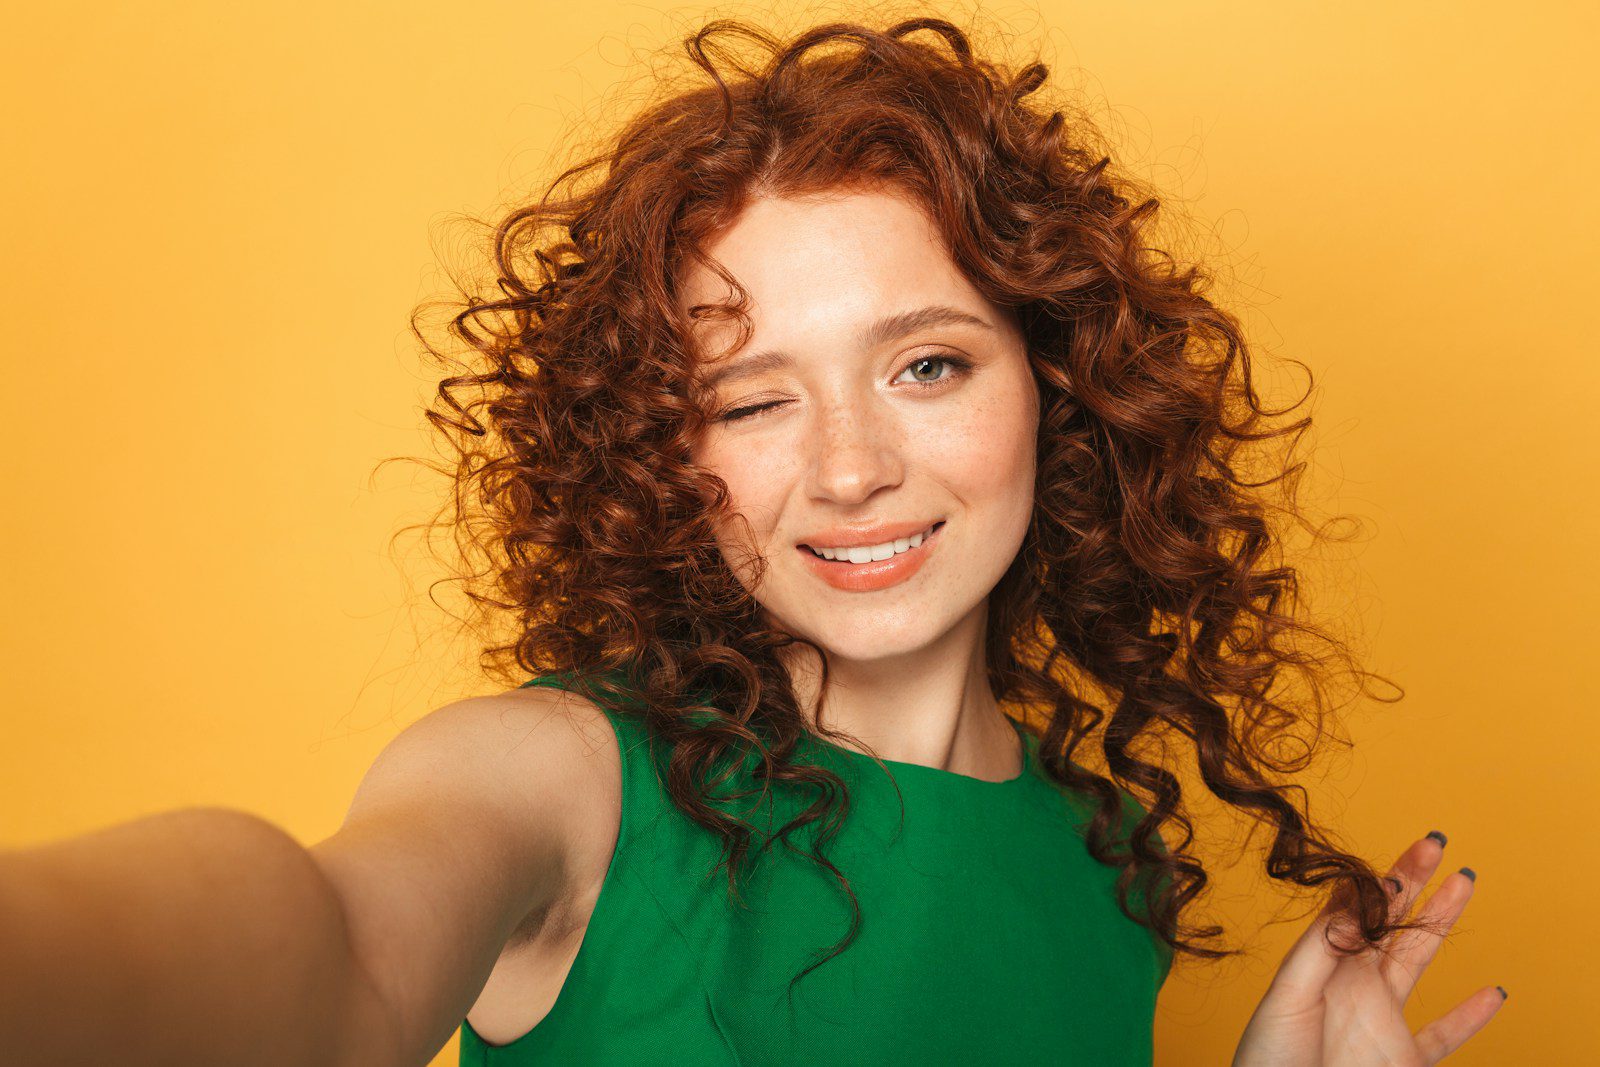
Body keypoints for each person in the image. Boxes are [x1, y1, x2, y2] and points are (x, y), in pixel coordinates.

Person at [0, 14, 1503, 1067]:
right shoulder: (559, 780)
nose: (849, 470)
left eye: (927, 365)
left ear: (1059, 387)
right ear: (661, 448)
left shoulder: (1101, 871)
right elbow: (324, 954)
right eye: (748, 398)